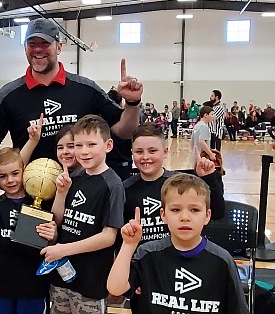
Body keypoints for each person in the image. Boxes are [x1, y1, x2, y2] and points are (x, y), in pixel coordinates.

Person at [0, 18, 143, 177]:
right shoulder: (8, 95)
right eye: (32, 44)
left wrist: (132, 102)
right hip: (31, 195)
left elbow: (125, 131)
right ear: (25, 48)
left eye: (45, 43)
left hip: (80, 192)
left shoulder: (86, 89)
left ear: (59, 47)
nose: (38, 49)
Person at [107, 173, 248, 314]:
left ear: (207, 216)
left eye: (194, 210)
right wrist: (128, 245)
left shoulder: (222, 260)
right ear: (163, 215)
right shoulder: (147, 253)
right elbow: (115, 288)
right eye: (176, 210)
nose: (185, 217)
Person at [41, 115, 125, 314]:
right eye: (78, 145)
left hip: (90, 282)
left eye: (91, 144)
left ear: (108, 145)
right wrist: (61, 194)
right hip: (61, 276)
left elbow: (108, 237)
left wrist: (64, 250)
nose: (84, 151)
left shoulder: (113, 185)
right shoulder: (75, 177)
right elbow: (58, 220)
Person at [0, 147, 56, 314]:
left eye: (15, 174)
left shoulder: (40, 204)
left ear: (24, 171)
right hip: (2, 285)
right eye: (3, 176)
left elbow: (50, 242)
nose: (10, 180)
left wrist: (53, 235)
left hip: (33, 285)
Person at [122, 123, 225, 247]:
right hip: (141, 262)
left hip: (179, 259)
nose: (146, 157)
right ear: (132, 153)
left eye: (152, 151)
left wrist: (209, 178)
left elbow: (218, 213)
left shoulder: (181, 184)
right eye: (139, 152)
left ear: (165, 152)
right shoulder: (124, 189)